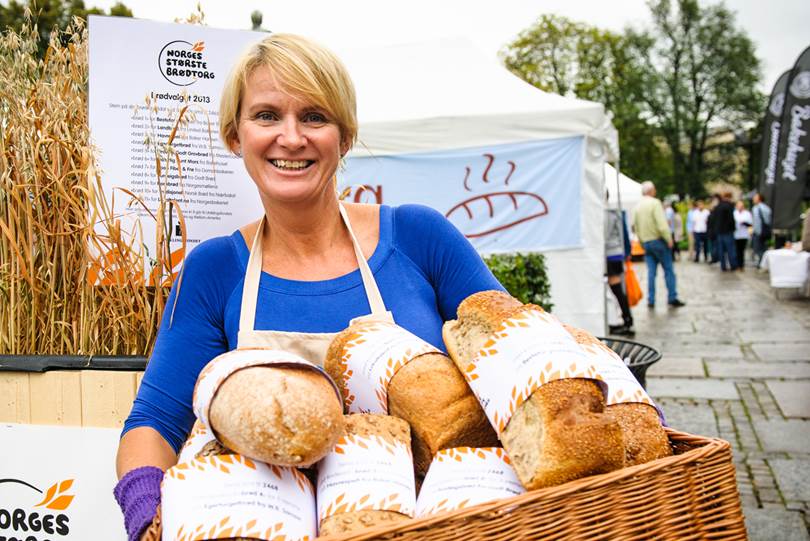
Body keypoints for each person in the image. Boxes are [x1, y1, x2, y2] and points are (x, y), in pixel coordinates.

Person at [112, 34, 504, 541]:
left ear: (344, 137)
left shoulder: (418, 238)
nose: (291, 138)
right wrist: (145, 509)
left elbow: (513, 357)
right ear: (235, 136)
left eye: (315, 117)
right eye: (267, 115)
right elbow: (154, 423)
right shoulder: (213, 269)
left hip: (431, 528)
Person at [632, 181, 685, 308]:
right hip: (658, 241)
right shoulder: (655, 203)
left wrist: (641, 240)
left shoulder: (637, 206)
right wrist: (669, 239)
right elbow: (662, 225)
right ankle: (672, 297)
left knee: (651, 272)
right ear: (651, 191)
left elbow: (635, 226)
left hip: (646, 242)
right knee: (668, 270)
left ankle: (651, 299)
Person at [605, 202, 634, 335]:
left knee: (616, 290)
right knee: (617, 290)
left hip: (611, 254)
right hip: (615, 253)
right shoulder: (614, 212)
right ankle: (626, 319)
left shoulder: (607, 213)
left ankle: (627, 320)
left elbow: (603, 236)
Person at [714, 191, 737, 271]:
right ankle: (733, 265)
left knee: (721, 250)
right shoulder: (729, 206)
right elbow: (731, 219)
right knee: (730, 249)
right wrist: (733, 228)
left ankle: (723, 266)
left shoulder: (718, 207)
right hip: (728, 231)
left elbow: (714, 219)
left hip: (719, 231)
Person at [751, 192, 772, 266]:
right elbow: (768, 221)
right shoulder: (766, 208)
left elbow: (756, 222)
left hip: (759, 232)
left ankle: (762, 263)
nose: (753, 199)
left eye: (755, 197)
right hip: (764, 231)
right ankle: (764, 263)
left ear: (759, 199)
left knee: (758, 248)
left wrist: (756, 231)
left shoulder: (756, 208)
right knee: (763, 248)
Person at [733, 200, 753, 270]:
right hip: (736, 234)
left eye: (741, 206)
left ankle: (741, 265)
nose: (740, 207)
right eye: (738, 206)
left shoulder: (747, 213)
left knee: (741, 250)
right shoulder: (734, 213)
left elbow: (750, 224)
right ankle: (736, 265)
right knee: (736, 250)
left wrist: (744, 223)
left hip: (744, 234)